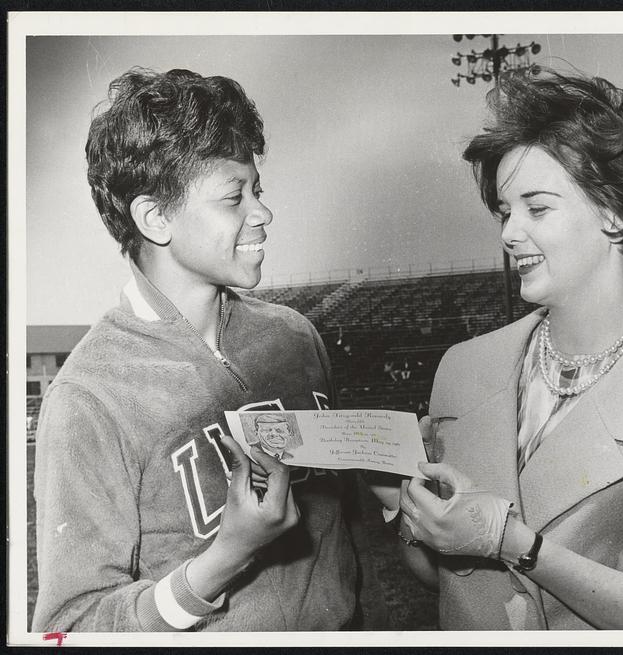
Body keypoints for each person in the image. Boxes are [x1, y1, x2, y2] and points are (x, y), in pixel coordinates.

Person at [396, 67, 623, 630]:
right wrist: (402, 502)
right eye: (505, 212)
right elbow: (442, 578)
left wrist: (517, 544)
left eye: (536, 208)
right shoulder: (463, 367)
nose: (509, 235)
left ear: (615, 214)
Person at [33, 67, 380, 632]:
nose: (262, 213)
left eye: (257, 190)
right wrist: (221, 562)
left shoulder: (294, 337)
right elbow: (69, 627)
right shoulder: (89, 398)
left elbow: (345, 550)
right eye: (233, 196)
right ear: (155, 217)